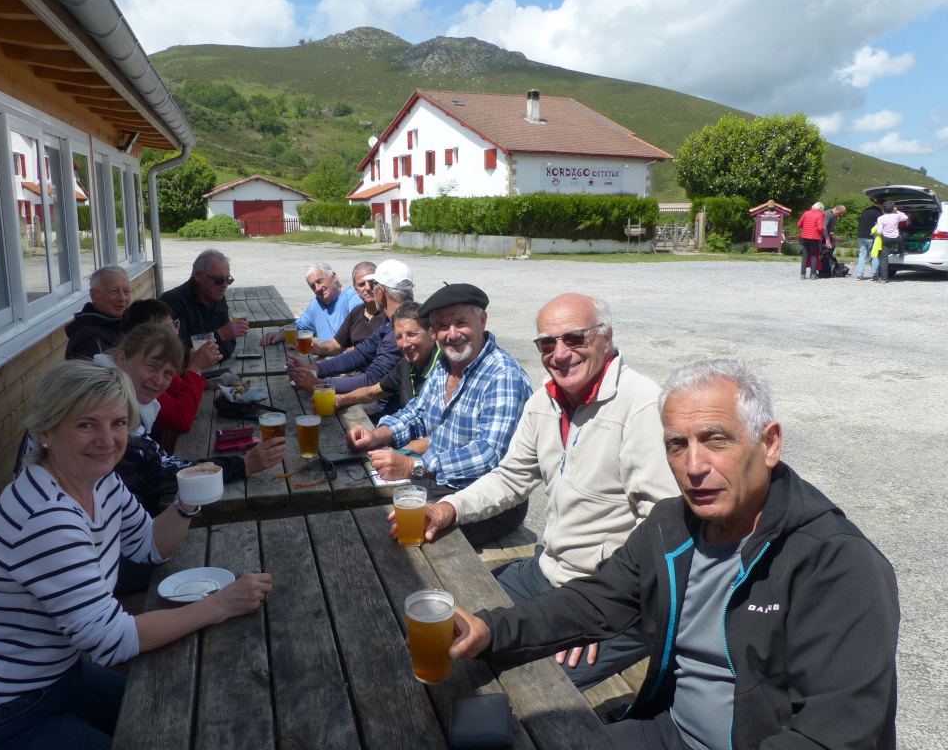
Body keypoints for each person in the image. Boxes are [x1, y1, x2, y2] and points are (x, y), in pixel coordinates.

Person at [450, 359, 899, 750]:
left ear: (769, 444)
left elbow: (833, 733)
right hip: (669, 730)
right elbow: (593, 601)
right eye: (676, 444)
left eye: (716, 439)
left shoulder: (835, 563)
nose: (694, 466)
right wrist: (490, 629)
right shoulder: (672, 525)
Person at [0, 360, 275, 749]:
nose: (107, 441)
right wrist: (220, 605)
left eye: (118, 423)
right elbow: (113, 641)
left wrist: (186, 500)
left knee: (178, 713)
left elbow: (150, 545)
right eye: (86, 425)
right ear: (45, 431)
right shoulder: (46, 517)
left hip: (54, 676)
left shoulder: (99, 480)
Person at [392, 293, 680, 690]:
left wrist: (600, 612)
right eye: (547, 343)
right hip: (549, 570)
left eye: (575, 338)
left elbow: (663, 529)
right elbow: (511, 476)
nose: (560, 354)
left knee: (515, 689)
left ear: (607, 337)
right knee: (446, 626)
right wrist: (447, 509)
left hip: (614, 599)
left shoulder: (642, 404)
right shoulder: (546, 399)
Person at [347, 283, 533, 546]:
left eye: (460, 323)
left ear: (482, 321)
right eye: (444, 326)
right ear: (434, 331)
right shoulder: (446, 364)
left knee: (393, 543)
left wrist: (413, 466)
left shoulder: (503, 375)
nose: (452, 334)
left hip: (485, 501)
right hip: (437, 484)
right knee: (363, 513)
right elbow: (416, 413)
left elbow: (488, 453)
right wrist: (375, 436)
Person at [105, 324, 285, 517]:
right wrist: (245, 465)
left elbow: (162, 464)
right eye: (151, 366)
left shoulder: (122, 395)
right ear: (121, 359)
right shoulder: (107, 409)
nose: (158, 380)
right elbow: (160, 474)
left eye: (168, 373)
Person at [287, 260, 414, 417]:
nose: (369, 289)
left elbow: (372, 380)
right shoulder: (394, 319)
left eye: (373, 285)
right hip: (381, 400)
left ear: (381, 292)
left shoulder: (402, 327)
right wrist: (316, 369)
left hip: (395, 412)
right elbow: (360, 353)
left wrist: (320, 384)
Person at [121, 298, 221, 435]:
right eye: (166, 328)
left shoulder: (161, 367)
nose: (175, 332)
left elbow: (181, 392)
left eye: (174, 325)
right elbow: (181, 420)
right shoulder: (138, 377)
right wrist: (195, 369)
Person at [333, 301, 439, 415]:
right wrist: (341, 399)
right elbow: (373, 392)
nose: (404, 344)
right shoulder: (406, 364)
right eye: (398, 337)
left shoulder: (443, 371)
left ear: (432, 333)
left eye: (412, 334)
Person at [161, 249, 248, 360]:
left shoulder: (217, 298)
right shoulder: (173, 301)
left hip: (213, 365)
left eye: (228, 280)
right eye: (219, 280)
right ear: (198, 275)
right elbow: (176, 349)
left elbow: (229, 340)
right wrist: (219, 335)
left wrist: (214, 357)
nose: (225, 285)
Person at [261, 263, 360, 345]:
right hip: (330, 359)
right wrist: (277, 335)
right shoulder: (317, 305)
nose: (317, 288)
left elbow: (362, 342)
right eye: (313, 286)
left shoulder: (353, 299)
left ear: (334, 277)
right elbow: (298, 327)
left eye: (320, 281)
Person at [307, 261, 387, 356]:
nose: (368, 288)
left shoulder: (389, 314)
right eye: (361, 284)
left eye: (372, 282)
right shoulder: (356, 313)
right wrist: (315, 348)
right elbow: (337, 345)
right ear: (355, 288)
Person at [64, 266, 131, 359]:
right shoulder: (89, 338)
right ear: (94, 295)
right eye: (114, 291)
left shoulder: (125, 324)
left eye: (126, 291)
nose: (122, 298)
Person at [875, 200, 910, 284]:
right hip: (896, 239)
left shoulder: (881, 218)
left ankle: (883, 278)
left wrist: (875, 233)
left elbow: (879, 231)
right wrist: (897, 211)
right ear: (892, 209)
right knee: (901, 236)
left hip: (886, 240)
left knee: (883, 258)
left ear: (884, 209)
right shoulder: (896, 216)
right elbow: (906, 217)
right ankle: (901, 251)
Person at [796, 202, 825, 280]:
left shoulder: (806, 213)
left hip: (804, 237)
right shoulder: (819, 215)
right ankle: (813, 274)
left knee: (805, 256)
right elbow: (820, 228)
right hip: (814, 237)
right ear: (821, 209)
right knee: (814, 256)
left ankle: (803, 274)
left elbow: (799, 225)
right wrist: (824, 229)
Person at [857, 198, 883, 280]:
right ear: (881, 205)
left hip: (861, 234)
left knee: (862, 254)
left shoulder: (865, 210)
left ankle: (860, 274)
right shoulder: (878, 212)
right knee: (874, 254)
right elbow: (879, 225)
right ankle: (875, 274)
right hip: (871, 236)